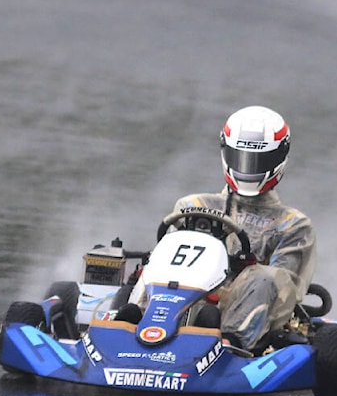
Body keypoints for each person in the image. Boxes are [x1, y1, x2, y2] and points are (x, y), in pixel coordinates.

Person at [126, 105, 317, 352]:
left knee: (265, 277)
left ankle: (229, 345)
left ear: (280, 157)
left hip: (243, 315)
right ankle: (130, 323)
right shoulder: (193, 205)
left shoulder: (293, 224)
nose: (249, 168)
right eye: (242, 158)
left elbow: (284, 291)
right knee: (155, 264)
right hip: (183, 298)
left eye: (260, 160)